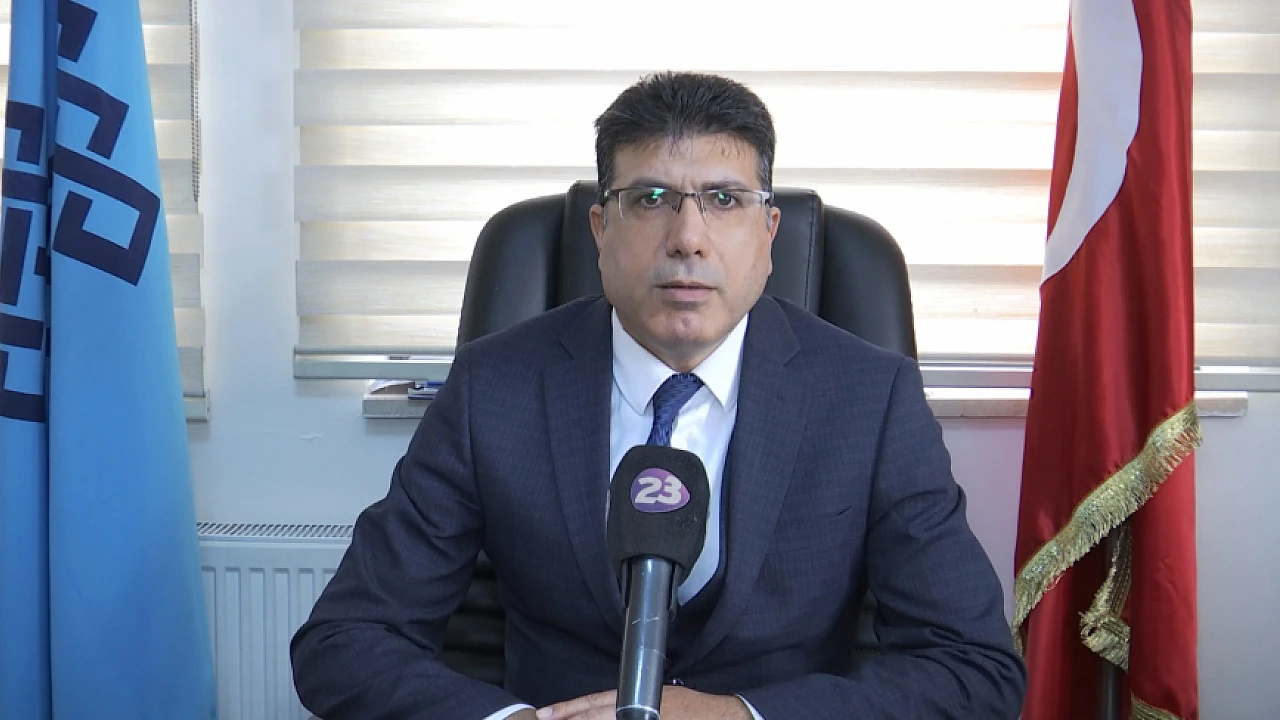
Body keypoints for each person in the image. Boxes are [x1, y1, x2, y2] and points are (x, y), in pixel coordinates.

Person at [290, 71, 1026, 720]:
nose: (688, 239)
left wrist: (740, 716)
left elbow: (975, 669)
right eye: (650, 199)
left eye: (724, 200)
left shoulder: (870, 398)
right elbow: (343, 641)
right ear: (600, 230)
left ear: (769, 234)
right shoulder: (495, 388)